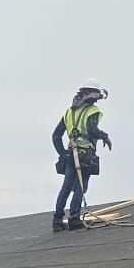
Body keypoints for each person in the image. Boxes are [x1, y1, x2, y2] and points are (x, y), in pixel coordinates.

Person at [52, 85, 113, 231]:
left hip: (71, 154)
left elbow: (56, 136)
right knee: (80, 187)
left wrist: (63, 154)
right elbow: (92, 130)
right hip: (85, 155)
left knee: (66, 188)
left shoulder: (69, 112)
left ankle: (57, 221)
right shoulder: (92, 111)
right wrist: (105, 136)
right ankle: (74, 219)